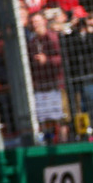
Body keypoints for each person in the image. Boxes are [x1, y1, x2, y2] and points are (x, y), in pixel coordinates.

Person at [28, 12, 68, 142]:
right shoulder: (32, 42)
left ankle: (64, 143)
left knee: (61, 117)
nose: (35, 25)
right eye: (33, 22)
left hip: (56, 85)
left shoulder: (52, 37)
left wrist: (47, 60)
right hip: (41, 86)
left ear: (44, 21)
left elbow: (62, 59)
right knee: (45, 119)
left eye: (38, 21)